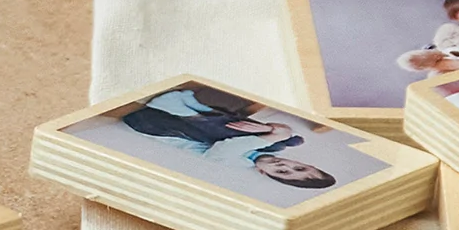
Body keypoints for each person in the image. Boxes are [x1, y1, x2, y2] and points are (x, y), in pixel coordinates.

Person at [117, 87, 336, 190]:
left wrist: (272, 133)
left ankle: (181, 107)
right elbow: (281, 133)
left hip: (154, 125)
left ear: (264, 173)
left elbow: (226, 146)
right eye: (296, 167)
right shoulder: (272, 150)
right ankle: (194, 107)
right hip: (189, 122)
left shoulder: (232, 164)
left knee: (237, 134)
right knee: (273, 137)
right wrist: (276, 131)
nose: (283, 165)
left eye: (281, 172)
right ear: (301, 162)